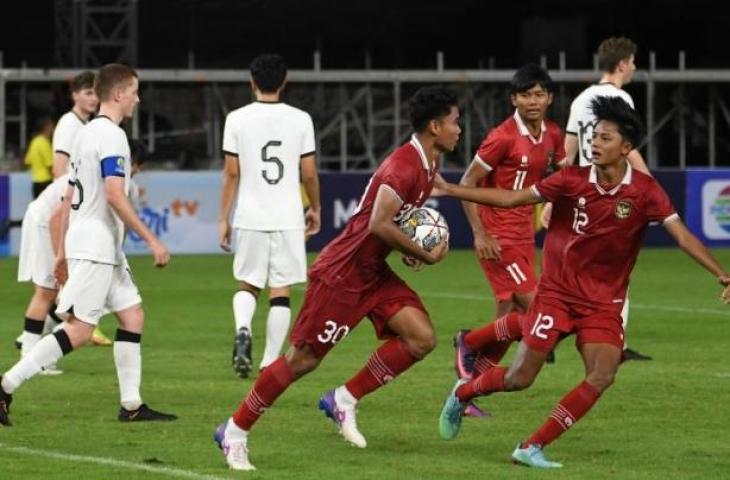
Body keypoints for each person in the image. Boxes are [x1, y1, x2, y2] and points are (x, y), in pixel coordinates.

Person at [436, 96, 730, 468]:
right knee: (518, 378)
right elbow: (512, 199)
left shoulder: (645, 191)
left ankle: (530, 446)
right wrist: (451, 190)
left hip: (604, 303)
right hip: (557, 295)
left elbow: (683, 235)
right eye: (593, 136)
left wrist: (720, 273)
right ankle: (464, 391)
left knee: (603, 374)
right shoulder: (571, 180)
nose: (593, 143)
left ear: (626, 148)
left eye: (604, 138)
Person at [213, 86, 457, 471]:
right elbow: (377, 222)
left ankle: (343, 399)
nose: (459, 129)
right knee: (302, 360)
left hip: (373, 273)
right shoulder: (404, 165)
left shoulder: (427, 165)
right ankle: (234, 430)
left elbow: (389, 223)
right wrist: (421, 251)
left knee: (421, 338)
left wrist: (407, 247)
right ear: (435, 125)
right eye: (455, 121)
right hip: (344, 274)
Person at [0, 63, 177, 427]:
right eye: (134, 91)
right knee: (80, 330)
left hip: (97, 244)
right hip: (96, 244)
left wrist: (63, 251)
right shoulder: (111, 136)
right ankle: (5, 385)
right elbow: (113, 194)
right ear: (118, 94)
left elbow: (69, 197)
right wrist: (152, 239)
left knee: (132, 315)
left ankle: (131, 405)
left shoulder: (85, 135)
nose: (137, 99)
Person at [455, 65, 564, 406]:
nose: (533, 101)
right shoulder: (501, 137)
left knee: (505, 314)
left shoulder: (553, 135)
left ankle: (468, 389)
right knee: (537, 308)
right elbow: (466, 184)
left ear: (550, 98)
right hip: (498, 237)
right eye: (525, 95)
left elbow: (564, 176)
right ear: (513, 99)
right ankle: (468, 341)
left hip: (523, 234)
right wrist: (480, 234)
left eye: (539, 94)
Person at [546, 37, 650, 360]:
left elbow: (566, 153)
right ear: (621, 64)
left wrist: (554, 198)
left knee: (578, 268)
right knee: (615, 267)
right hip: (612, 192)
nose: (634, 67)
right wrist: (649, 185)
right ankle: (612, 341)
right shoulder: (621, 100)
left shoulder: (581, 100)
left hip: (581, 193)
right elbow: (627, 150)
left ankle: (546, 332)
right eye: (632, 62)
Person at [219, 54, 321, 379]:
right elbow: (308, 172)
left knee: (248, 284)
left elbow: (231, 173)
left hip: (250, 214)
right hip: (287, 215)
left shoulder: (235, 119)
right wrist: (315, 208)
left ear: (252, 82)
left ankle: (244, 328)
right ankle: (269, 361)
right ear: (284, 81)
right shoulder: (301, 119)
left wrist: (224, 217)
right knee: (281, 289)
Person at [52, 71, 99, 178]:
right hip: (71, 193)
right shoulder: (69, 123)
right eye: (88, 93)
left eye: (97, 93)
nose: (94, 98)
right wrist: (69, 195)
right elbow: (58, 169)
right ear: (75, 96)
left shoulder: (86, 124)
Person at [25, 117, 55, 198]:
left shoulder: (34, 142)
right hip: (46, 182)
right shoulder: (45, 142)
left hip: (35, 182)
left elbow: (27, 162)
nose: (53, 129)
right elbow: (50, 165)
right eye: (52, 126)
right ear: (46, 127)